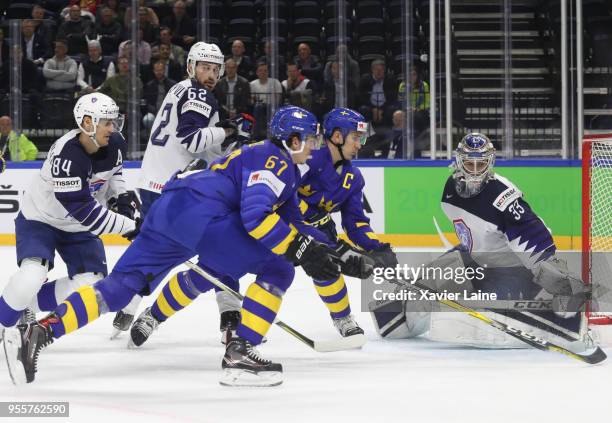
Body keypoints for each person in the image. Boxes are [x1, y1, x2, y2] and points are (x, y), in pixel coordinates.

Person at [2, 107, 342, 387]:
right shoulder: (275, 160)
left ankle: (41, 331)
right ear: (293, 140)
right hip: (202, 216)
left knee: (117, 290)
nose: (314, 146)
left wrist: (338, 252)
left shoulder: (275, 164)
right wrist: (300, 251)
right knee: (278, 267)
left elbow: (294, 223)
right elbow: (255, 217)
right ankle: (240, 351)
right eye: (310, 139)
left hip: (170, 208)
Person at [370, 133, 590, 348]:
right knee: (426, 281)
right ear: (459, 162)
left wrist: (561, 284)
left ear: (490, 163)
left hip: (517, 271)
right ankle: (400, 320)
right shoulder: (451, 189)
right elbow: (474, 238)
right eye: (469, 163)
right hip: (482, 261)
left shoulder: (503, 197)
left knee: (473, 315)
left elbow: (535, 241)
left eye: (481, 164)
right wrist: (444, 267)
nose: (475, 171)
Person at [110, 42, 246, 335]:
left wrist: (227, 142)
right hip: (174, 191)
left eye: (214, 69)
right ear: (191, 67)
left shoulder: (179, 90)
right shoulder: (199, 95)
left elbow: (205, 152)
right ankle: (230, 314)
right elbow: (192, 141)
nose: (209, 75)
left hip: (150, 184)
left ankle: (128, 307)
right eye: (204, 67)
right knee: (223, 247)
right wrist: (228, 131)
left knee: (153, 252)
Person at [0, 92, 137, 341]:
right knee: (32, 275)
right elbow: (86, 213)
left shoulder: (114, 142)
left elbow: (115, 172)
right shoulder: (66, 156)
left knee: (91, 284)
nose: (113, 127)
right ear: (87, 123)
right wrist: (130, 226)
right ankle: (4, 321)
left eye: (114, 121)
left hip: (77, 228)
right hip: (40, 220)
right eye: (107, 122)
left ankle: (29, 302)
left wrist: (122, 197)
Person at [297, 108, 397, 335]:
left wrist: (376, 247)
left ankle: (343, 319)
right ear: (337, 136)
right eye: (356, 138)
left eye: (361, 139)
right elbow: (281, 194)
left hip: (318, 235)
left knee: (328, 268)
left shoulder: (354, 178)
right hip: (282, 229)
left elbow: (355, 222)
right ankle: (233, 317)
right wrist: (306, 213)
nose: (360, 145)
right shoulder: (306, 160)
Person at [358, 59, 398, 127]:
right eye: (376, 69)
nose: (378, 72)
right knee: (363, 109)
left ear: (384, 70)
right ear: (372, 70)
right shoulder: (365, 80)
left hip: (385, 106)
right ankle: (363, 135)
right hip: (369, 106)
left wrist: (382, 109)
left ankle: (389, 134)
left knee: (392, 109)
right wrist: (373, 108)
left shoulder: (390, 80)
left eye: (381, 69)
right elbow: (360, 97)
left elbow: (393, 97)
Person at [142, 60, 177, 133]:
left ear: (164, 70)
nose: (158, 72)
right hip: (154, 112)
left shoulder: (173, 84)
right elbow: (146, 102)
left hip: (169, 112)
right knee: (147, 119)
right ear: (153, 71)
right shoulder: (149, 85)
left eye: (160, 70)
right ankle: (151, 136)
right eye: (156, 70)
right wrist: (154, 111)